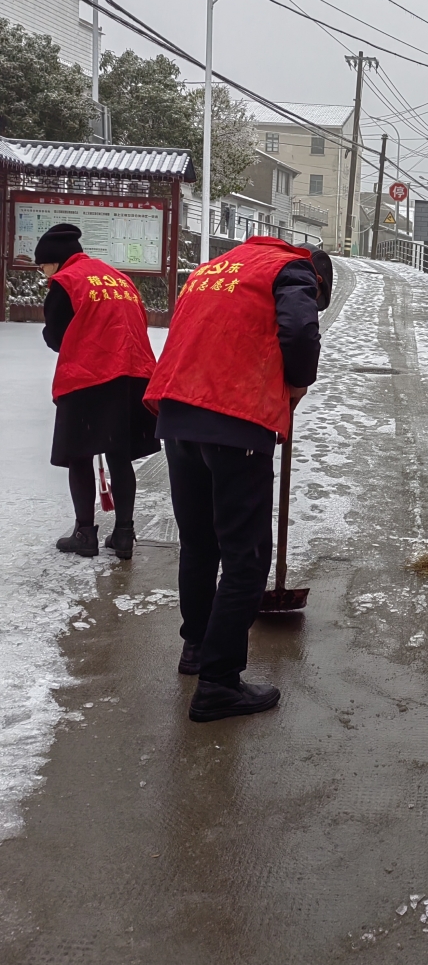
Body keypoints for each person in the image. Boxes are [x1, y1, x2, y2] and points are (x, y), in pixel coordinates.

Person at [144, 236, 327, 723]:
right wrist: (298, 379)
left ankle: (197, 648)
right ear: (318, 278)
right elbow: (300, 330)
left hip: (179, 414)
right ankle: (219, 683)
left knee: (200, 543)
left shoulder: (216, 269)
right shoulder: (293, 270)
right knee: (245, 557)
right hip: (233, 417)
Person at [36, 223, 159, 560]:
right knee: (119, 455)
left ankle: (85, 533)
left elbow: (57, 336)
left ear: (55, 260)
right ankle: (123, 534)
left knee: (80, 454)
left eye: (42, 265)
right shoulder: (117, 278)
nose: (42, 271)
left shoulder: (67, 281)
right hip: (133, 375)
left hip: (90, 375)